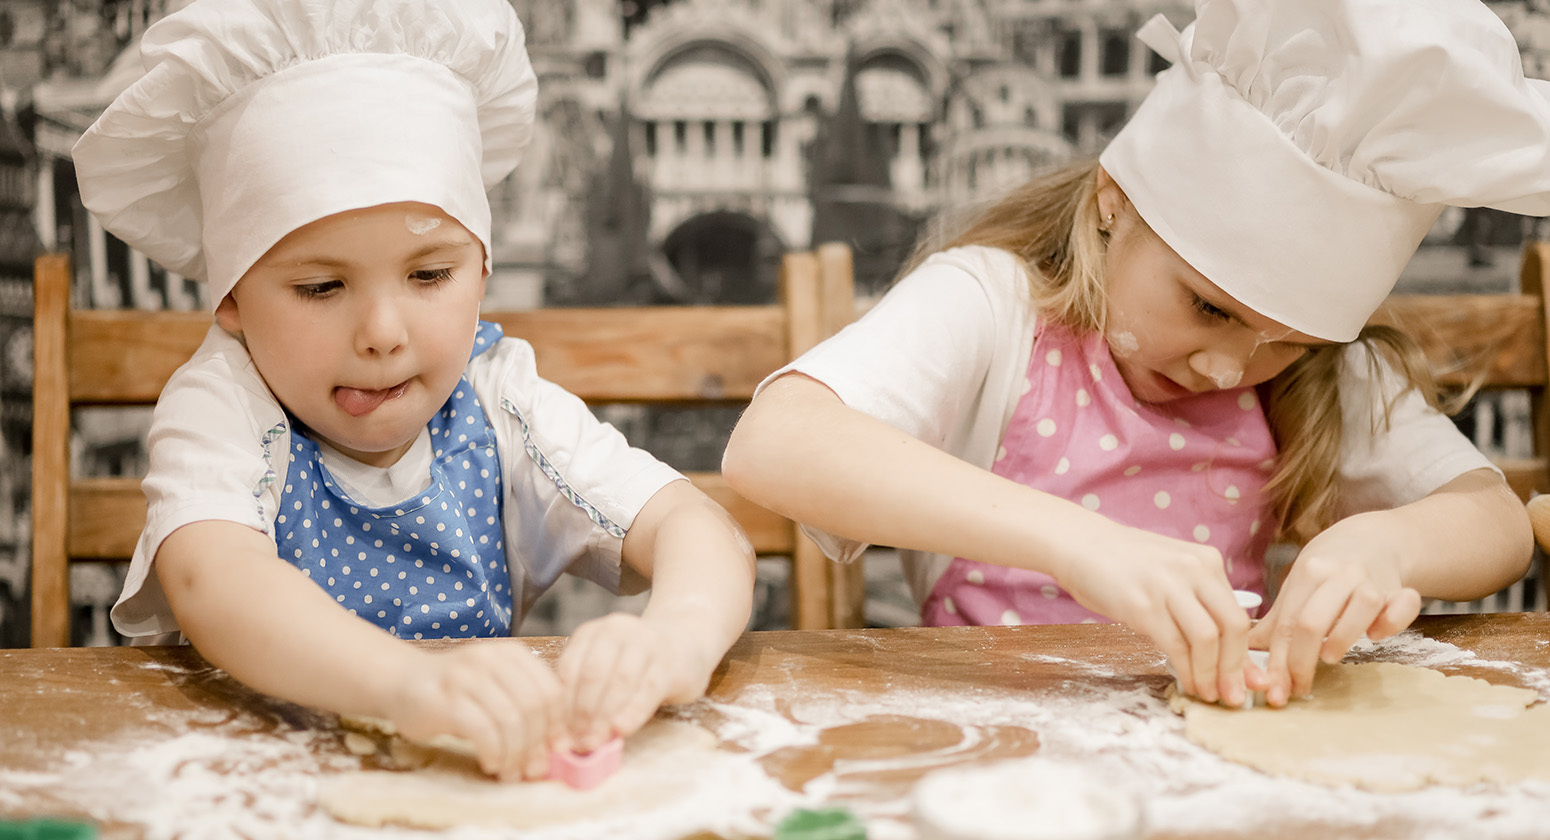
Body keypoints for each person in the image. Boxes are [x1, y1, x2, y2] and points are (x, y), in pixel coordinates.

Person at [724, 0, 1549, 711]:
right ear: (1114, 202)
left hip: (1207, 740)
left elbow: (1495, 524)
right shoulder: (994, 306)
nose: (1228, 369)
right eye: (1207, 306)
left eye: (1291, 340)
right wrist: (1079, 541)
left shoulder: (1319, 374)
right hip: (990, 728)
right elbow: (779, 443)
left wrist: (1383, 548)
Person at [73, 0, 754, 782]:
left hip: (467, 782)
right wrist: (407, 685)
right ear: (230, 301)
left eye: (430, 274)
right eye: (322, 286)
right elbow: (214, 580)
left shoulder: (502, 402)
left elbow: (699, 530)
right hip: (247, 789)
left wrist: (673, 641)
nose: (382, 332)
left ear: (484, 271)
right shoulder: (223, 403)